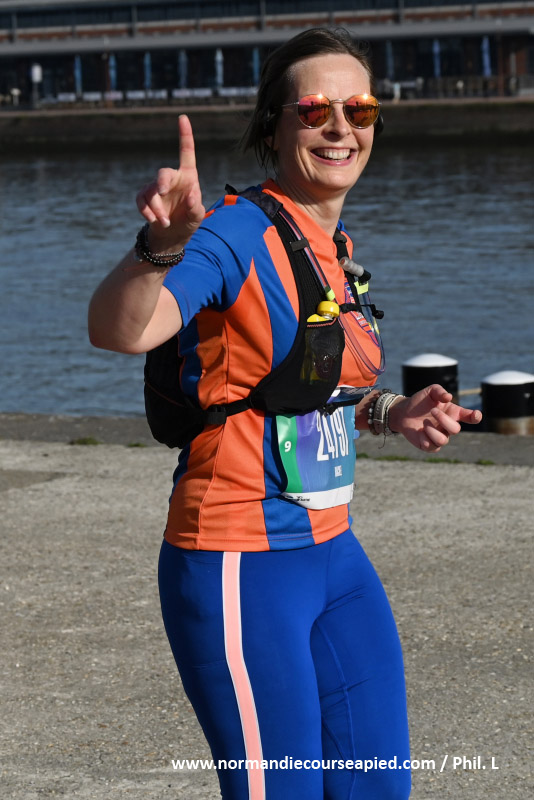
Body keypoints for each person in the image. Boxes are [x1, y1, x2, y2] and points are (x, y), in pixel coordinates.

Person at [88, 27, 482, 800]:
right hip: (239, 560)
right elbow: (122, 330)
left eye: (359, 110)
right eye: (314, 110)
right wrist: (160, 247)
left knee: (378, 787)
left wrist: (390, 411)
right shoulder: (232, 233)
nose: (340, 128)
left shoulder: (334, 244)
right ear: (274, 127)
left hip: (334, 555)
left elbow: (301, 390)